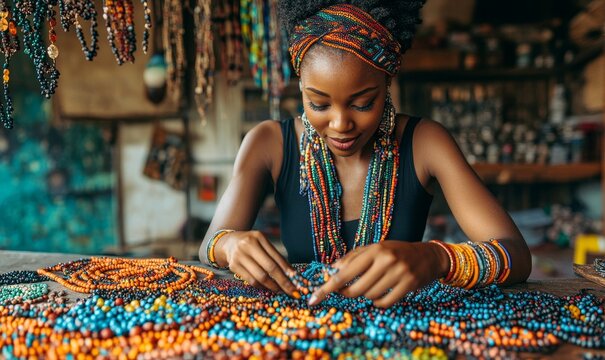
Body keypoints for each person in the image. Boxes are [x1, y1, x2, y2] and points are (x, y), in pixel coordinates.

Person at [199, 0, 532, 308]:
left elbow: (516, 255)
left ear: (387, 83)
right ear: (300, 85)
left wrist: (437, 258)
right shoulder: (268, 143)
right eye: (319, 104)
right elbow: (209, 244)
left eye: (362, 103)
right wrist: (229, 245)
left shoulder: (425, 142)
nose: (341, 124)